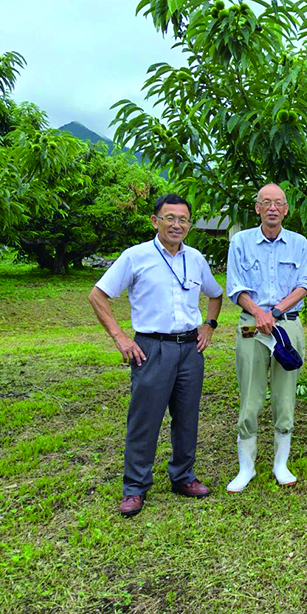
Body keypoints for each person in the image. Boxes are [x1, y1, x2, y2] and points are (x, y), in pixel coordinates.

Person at [88, 193, 223, 518]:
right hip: (151, 348)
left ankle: (183, 477)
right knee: (144, 420)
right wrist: (120, 337)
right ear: (155, 221)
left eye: (183, 220)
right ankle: (135, 488)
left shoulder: (196, 259)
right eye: (170, 218)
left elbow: (216, 295)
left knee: (187, 417)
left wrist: (209, 325)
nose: (177, 225)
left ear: (190, 224)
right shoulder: (136, 257)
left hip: (190, 349)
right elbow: (97, 295)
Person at [225, 183, 307, 491]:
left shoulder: (299, 243)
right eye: (266, 202)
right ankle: (245, 467)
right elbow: (235, 287)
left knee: (285, 396)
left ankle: (280, 463)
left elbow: (303, 285)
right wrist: (260, 314)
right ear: (257, 208)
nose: (273, 208)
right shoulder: (240, 241)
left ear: (286, 210)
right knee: (250, 394)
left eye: (279, 203)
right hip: (251, 325)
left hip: (286, 324)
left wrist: (273, 312)